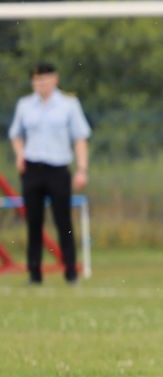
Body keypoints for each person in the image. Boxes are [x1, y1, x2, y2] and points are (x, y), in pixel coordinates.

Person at [8, 63, 91, 285]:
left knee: (63, 221)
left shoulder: (68, 105)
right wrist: (19, 154)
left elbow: (80, 138)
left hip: (58, 168)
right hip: (32, 169)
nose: (40, 84)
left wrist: (82, 169)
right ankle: (34, 274)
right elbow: (16, 134)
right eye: (36, 80)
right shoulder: (25, 105)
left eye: (43, 79)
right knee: (33, 222)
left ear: (54, 79)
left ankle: (71, 272)